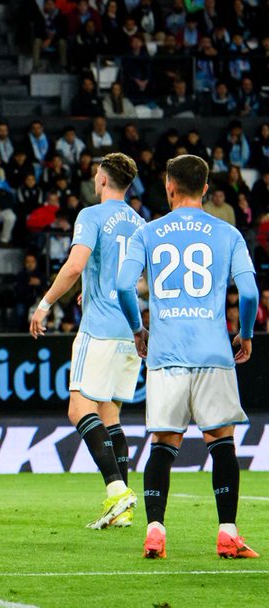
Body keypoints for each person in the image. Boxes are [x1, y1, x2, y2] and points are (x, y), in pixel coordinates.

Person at [116, 154, 259, 560]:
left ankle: (156, 532)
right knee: (222, 442)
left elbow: (125, 287)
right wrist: (245, 334)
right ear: (206, 186)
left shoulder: (148, 233)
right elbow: (248, 293)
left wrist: (137, 330)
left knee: (163, 443)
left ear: (169, 186)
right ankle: (228, 534)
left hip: (166, 355)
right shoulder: (228, 233)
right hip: (214, 354)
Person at [30, 153, 142, 529]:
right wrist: (97, 288)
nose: (94, 178)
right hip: (130, 329)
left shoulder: (92, 216)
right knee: (110, 415)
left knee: (79, 409)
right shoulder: (140, 223)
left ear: (104, 180)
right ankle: (122, 509)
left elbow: (75, 264)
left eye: (96, 173)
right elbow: (138, 282)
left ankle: (117, 492)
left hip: (99, 330)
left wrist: (45, 304)